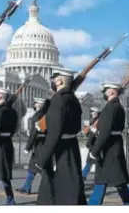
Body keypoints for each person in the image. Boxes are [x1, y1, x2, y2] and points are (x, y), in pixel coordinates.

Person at [34, 70, 87, 205]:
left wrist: (42, 159)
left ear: (59, 81)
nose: (52, 81)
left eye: (55, 79)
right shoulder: (72, 98)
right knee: (72, 186)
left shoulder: (58, 99)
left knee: (59, 192)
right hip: (71, 146)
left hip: (60, 150)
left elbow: (55, 132)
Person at [88, 82, 129, 205]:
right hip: (112, 147)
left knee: (118, 183)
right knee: (105, 181)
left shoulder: (110, 107)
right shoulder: (115, 106)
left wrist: (94, 150)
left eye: (106, 90)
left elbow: (105, 132)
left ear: (112, 91)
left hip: (109, 149)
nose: (104, 93)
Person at [16, 97, 47, 194]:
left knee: (40, 168)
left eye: (36, 103)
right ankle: (26, 187)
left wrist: (28, 147)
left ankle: (51, 188)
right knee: (32, 167)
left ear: (39, 105)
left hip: (39, 144)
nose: (34, 104)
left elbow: (34, 133)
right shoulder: (45, 115)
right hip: (43, 142)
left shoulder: (37, 116)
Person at [82, 107, 101, 180]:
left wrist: (91, 129)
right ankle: (84, 174)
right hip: (92, 143)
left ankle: (84, 174)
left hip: (95, 142)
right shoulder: (92, 120)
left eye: (93, 111)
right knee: (91, 160)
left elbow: (97, 132)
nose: (92, 113)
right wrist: (86, 130)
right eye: (92, 111)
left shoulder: (98, 120)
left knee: (93, 160)